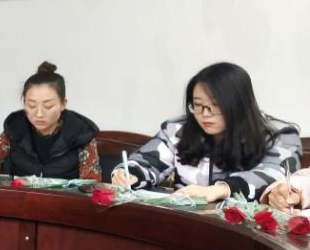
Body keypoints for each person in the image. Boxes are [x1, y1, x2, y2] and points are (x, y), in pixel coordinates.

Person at [112, 62, 301, 202]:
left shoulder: (280, 135)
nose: (204, 114)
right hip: (186, 224)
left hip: (248, 232)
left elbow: (273, 174)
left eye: (214, 105)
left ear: (238, 105)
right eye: (198, 105)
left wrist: (221, 189)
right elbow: (147, 160)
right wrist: (129, 173)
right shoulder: (177, 130)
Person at [0, 61, 100, 181]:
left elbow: (92, 185)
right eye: (31, 105)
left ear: (63, 104)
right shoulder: (16, 129)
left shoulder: (82, 133)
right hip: (21, 202)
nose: (39, 113)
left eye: (48, 106)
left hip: (64, 204)